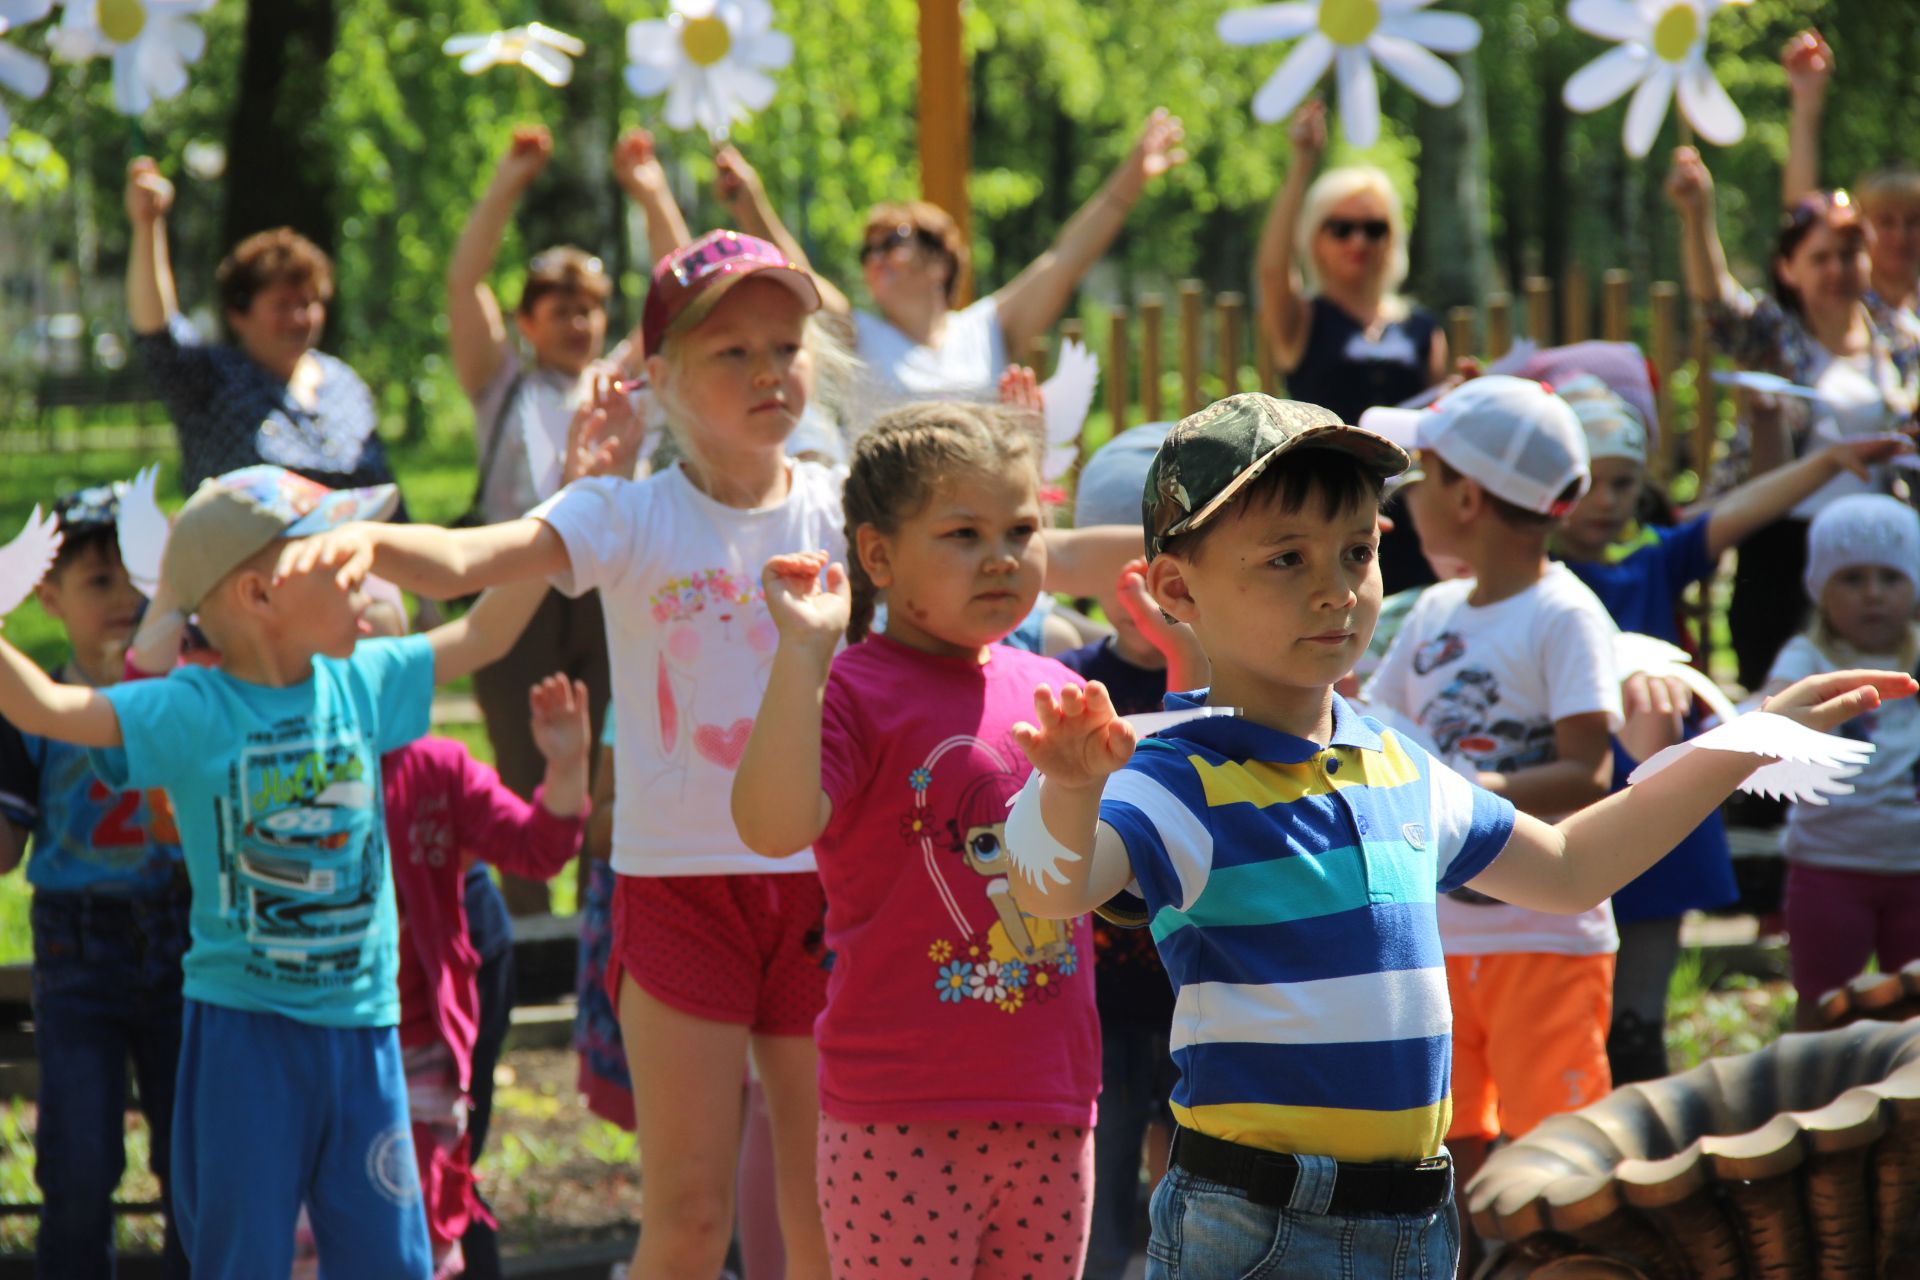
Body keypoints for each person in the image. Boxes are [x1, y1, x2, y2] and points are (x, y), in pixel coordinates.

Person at [269, 228, 1145, 1280]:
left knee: (825, 1217)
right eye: (734, 351)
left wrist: (1188, 550)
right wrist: (370, 540)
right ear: (662, 375)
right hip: (679, 892)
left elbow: (1053, 556)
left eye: (787, 344)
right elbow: (476, 556)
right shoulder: (628, 512)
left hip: (830, 892)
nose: (770, 370)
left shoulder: (841, 504)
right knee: (685, 1219)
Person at [1000, 390, 1912, 1277]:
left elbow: (1569, 867)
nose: (1335, 589)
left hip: (1414, 1223)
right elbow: (1054, 888)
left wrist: (1746, 740)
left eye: (1356, 551)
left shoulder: (1396, 758)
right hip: (1256, 1228)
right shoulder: (1178, 777)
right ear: (1173, 589)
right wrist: (1071, 788)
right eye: (1286, 559)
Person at [0, 464, 549, 1278]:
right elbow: (48, 707)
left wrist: (576, 496)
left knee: (390, 1263)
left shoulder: (363, 679)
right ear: (260, 595)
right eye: (336, 552)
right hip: (242, 1041)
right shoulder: (193, 708)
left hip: (366, 1037)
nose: (364, 562)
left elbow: (488, 634)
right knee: (242, 1260)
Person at [730, 403, 1103, 1279]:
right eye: (965, 533)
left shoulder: (1057, 689)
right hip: (895, 1111)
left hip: (1053, 1100)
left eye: (1022, 527)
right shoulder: (853, 689)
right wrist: (803, 654)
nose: (1003, 556)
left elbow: (1097, 870)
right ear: (879, 557)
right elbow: (771, 825)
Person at [1550, 376, 1910, 1079]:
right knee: (1566, 1019)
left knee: (1636, 1025)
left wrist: (1827, 462)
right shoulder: (1534, 582)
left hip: (1662, 806)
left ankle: (1639, 1151)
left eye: (1623, 484)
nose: (1607, 501)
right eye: (1587, 483)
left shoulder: (1651, 559)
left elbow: (1743, 511)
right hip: (1574, 808)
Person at [1358, 378, 1621, 1257]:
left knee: (1559, 1146)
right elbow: (1379, 725)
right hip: (1440, 936)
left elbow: (1590, 768)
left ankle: (1569, 1270)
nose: (1405, 501)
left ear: (1466, 497)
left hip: (1546, 940)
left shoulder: (1565, 613)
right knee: (1451, 1133)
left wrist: (1468, 786)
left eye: (1419, 477)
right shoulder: (1430, 611)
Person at [447, 124, 691, 914]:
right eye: (558, 308)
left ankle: (603, 919)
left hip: (614, 587)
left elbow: (680, 288)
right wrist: (508, 180)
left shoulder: (621, 384)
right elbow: (462, 281)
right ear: (525, 321)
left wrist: (651, 191)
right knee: (523, 762)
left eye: (590, 308)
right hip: (519, 591)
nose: (578, 323)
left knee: (613, 761)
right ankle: (522, 934)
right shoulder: (498, 380)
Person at [0, 485, 190, 1278]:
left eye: (137, 577)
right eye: (96, 581)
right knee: (78, 1162)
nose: (123, 600)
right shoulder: (28, 706)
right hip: (78, 952)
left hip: (188, 945)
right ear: (46, 595)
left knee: (196, 1158)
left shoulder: (190, 688)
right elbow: (6, 846)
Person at [1668, 144, 1920, 691]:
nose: (1836, 270)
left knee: (1877, 693)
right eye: (1820, 258)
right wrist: (1698, 215)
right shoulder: (1776, 340)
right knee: (1778, 702)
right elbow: (1715, 302)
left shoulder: (1901, 342)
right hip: (1783, 548)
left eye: (1849, 254)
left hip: (1875, 545)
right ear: (1790, 268)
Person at [716, 110, 1186, 402]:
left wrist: (1131, 180)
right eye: (867, 250)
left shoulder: (987, 329)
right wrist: (750, 202)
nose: (876, 257)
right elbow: (797, 272)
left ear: (941, 262)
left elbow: (1065, 258)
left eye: (893, 242)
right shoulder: (859, 337)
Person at [1049, 424, 1207, 1280]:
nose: (1144, 600)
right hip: (1101, 989)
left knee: (1199, 1172)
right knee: (1101, 1175)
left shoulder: (1228, 688)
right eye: (1122, 580)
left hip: (1201, 983)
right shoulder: (1070, 683)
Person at [1257, 100, 1449, 596]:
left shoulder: (1422, 328)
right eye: (1340, 228)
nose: (1357, 241)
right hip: (1326, 511)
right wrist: (1301, 163)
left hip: (1412, 517)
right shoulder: (1303, 318)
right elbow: (1272, 271)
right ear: (1314, 238)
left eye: (1374, 228)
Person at [124, 158, 402, 500]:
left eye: (308, 303)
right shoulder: (211, 381)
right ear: (238, 314)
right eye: (282, 306)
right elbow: (157, 335)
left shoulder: (345, 384)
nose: (299, 318)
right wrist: (147, 225)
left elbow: (387, 498)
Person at [1762, 496, 1920, 1027]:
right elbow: (1772, 713)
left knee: (1913, 1016)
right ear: (1820, 591)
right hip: (1828, 866)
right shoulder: (1807, 660)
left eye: (1890, 577)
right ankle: (1811, 1106)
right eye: (1851, 578)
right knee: (1822, 1012)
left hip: (1915, 868)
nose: (1873, 594)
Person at [1781, 28, 1920, 319]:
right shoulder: (1848, 307)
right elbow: (1801, 213)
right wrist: (1806, 105)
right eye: (1886, 222)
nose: (1901, 236)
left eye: (1913, 221)